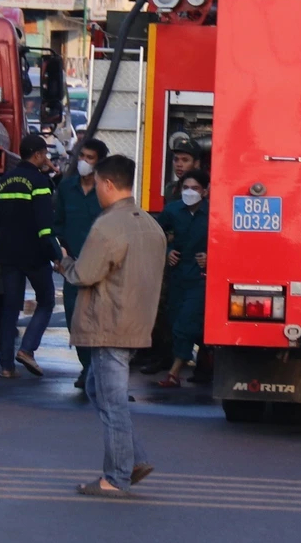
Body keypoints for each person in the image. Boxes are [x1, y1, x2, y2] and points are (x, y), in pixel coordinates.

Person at [60, 154, 165, 497]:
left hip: (108, 322)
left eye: (98, 185)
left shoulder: (108, 225)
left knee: (112, 401)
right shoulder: (150, 225)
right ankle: (133, 459)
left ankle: (115, 477)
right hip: (136, 321)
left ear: (107, 184)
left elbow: (85, 274)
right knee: (98, 390)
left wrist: (64, 263)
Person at [0, 131, 60, 379]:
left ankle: (6, 367)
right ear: (39, 155)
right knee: (47, 301)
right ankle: (27, 349)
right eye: (45, 155)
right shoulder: (40, 183)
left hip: (8, 255)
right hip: (34, 256)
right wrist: (56, 254)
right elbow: (44, 225)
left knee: (10, 309)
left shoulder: (3, 181)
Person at [54, 136, 110, 387]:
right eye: (82, 157)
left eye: (90, 158)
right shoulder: (66, 189)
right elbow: (56, 224)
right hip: (73, 267)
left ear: (99, 164)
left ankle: (93, 371)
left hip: (100, 268)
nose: (84, 162)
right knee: (74, 319)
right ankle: (86, 367)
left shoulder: (106, 191)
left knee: (97, 321)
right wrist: (60, 254)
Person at [157, 169, 210, 387]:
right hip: (177, 276)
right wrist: (168, 251)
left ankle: (174, 372)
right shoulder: (171, 211)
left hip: (201, 278)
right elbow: (156, 236)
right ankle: (205, 359)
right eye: (186, 188)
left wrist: (211, 257)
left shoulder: (214, 213)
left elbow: (229, 241)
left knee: (184, 323)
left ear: (205, 191)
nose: (190, 192)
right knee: (176, 320)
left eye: (195, 188)